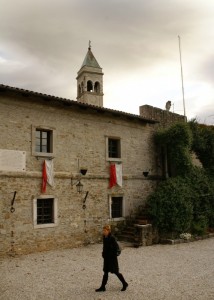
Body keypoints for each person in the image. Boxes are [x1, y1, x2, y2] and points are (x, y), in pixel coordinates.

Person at [95, 225, 128, 292]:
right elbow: (104, 246)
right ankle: (103, 287)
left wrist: (111, 254)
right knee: (105, 272)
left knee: (116, 272)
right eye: (103, 230)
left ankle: (124, 283)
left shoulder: (112, 238)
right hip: (106, 258)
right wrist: (103, 253)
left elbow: (116, 248)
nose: (103, 232)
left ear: (108, 231)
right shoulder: (104, 237)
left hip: (112, 259)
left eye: (105, 231)